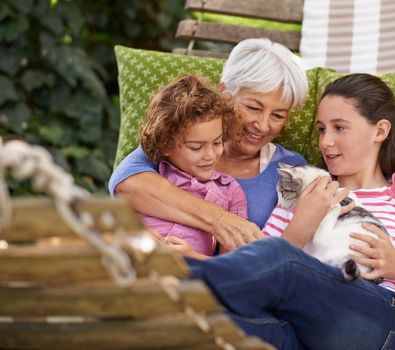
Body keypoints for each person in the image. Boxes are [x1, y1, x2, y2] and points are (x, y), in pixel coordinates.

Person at [186, 74, 395, 349]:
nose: (326, 142)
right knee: (211, 330)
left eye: (340, 128)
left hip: (378, 322)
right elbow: (256, 271)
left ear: (380, 131)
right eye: (322, 129)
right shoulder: (304, 188)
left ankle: (173, 279)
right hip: (296, 329)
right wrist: (302, 222)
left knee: (281, 259)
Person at [109, 38, 310, 250]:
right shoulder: (179, 138)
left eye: (278, 115)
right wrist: (219, 220)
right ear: (225, 94)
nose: (262, 125)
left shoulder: (291, 169)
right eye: (253, 107)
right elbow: (126, 184)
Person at [138, 74, 246, 259]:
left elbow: (231, 268)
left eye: (218, 142)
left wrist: (192, 257)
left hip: (190, 279)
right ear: (165, 144)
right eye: (196, 147)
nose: (211, 155)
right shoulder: (150, 176)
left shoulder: (230, 192)